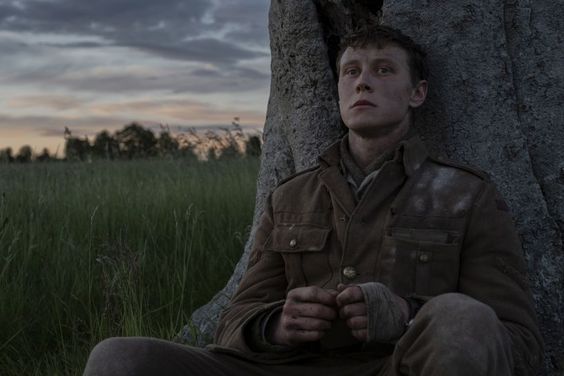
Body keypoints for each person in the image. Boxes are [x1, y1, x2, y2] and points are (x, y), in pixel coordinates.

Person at [83, 25, 543, 376]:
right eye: (351, 72)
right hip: (285, 368)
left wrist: (406, 316)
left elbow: (517, 343)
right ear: (339, 90)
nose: (363, 83)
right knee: (120, 357)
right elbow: (232, 323)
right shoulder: (290, 195)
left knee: (460, 319)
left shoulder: (468, 195)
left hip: (395, 367)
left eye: (384, 70)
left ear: (416, 93)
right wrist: (277, 326)